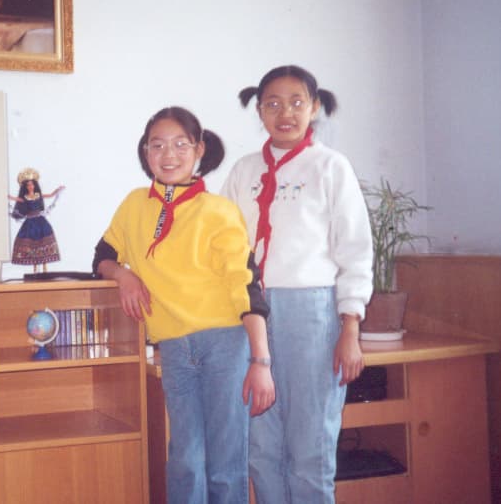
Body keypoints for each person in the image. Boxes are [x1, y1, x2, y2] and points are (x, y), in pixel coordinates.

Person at [92, 106, 274, 504]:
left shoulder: (219, 211)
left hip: (225, 343)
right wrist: (123, 275)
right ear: (145, 152)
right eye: (157, 145)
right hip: (174, 347)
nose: (168, 154)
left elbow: (245, 287)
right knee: (185, 461)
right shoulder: (134, 205)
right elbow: (102, 256)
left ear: (199, 150)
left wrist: (261, 362)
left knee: (226, 464)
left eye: (180, 144)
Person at [221, 65, 373, 504]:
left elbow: (355, 250)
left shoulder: (331, 167)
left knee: (311, 447)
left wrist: (350, 328)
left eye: (296, 102)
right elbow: (224, 245)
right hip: (250, 315)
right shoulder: (243, 170)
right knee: (261, 445)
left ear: (314, 107)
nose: (284, 113)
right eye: (272, 104)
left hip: (312, 316)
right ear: (259, 110)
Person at [8, 168, 64, 273]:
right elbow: (14, 198)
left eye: (32, 185)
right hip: (30, 223)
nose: (30, 187)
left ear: (35, 185)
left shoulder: (39, 195)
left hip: (41, 221)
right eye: (28, 185)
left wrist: (58, 190)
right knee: (31, 243)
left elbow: (50, 195)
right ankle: (35, 268)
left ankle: (45, 268)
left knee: (43, 242)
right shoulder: (24, 198)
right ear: (25, 187)